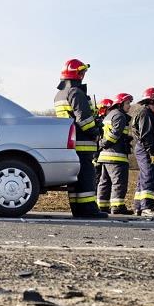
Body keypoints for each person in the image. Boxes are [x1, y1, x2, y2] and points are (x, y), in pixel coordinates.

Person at [54, 59, 107, 218]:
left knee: (75, 180)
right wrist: (96, 131)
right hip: (83, 144)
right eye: (81, 72)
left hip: (70, 142)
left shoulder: (60, 94)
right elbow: (84, 120)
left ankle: (78, 210)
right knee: (86, 177)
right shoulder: (76, 92)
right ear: (75, 74)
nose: (83, 75)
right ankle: (89, 210)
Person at [97, 93, 134, 214]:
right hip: (116, 156)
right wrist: (104, 143)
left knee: (104, 182)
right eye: (127, 103)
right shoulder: (120, 116)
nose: (129, 106)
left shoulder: (109, 115)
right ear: (120, 103)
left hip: (104, 156)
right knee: (119, 182)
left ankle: (102, 206)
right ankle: (117, 206)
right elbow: (114, 135)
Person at [132, 87, 154, 217]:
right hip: (147, 149)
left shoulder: (150, 114)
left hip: (146, 149)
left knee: (144, 177)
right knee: (149, 177)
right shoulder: (146, 114)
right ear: (152, 98)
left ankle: (138, 207)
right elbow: (146, 135)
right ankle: (147, 208)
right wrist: (152, 152)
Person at [94, 98, 113, 203]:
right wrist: (95, 157)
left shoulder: (106, 122)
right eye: (109, 110)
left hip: (103, 156)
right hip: (96, 156)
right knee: (97, 180)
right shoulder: (98, 123)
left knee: (104, 181)